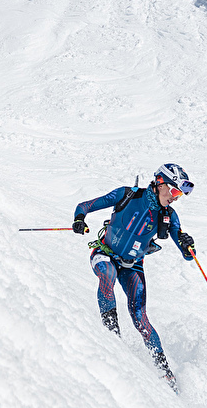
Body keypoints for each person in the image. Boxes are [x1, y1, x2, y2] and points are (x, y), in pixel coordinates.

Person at [73, 163, 197, 391]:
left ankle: (165, 373)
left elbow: (188, 254)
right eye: (174, 190)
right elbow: (85, 206)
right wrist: (79, 219)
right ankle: (112, 340)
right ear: (160, 183)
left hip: (133, 266)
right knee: (107, 275)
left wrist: (188, 245)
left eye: (180, 194)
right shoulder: (127, 195)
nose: (175, 197)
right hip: (105, 253)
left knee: (140, 318)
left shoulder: (169, 216)